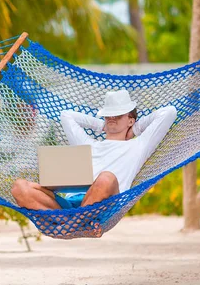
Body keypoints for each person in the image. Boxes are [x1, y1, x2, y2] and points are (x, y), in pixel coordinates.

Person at [11, 89, 177, 210]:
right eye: (108, 115)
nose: (112, 118)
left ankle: (73, 223)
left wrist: (134, 131)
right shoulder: (87, 144)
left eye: (118, 115)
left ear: (130, 120)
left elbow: (169, 112)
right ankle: (72, 222)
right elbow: (66, 116)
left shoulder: (139, 145)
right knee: (19, 187)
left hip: (104, 205)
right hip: (72, 204)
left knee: (106, 178)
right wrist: (101, 126)